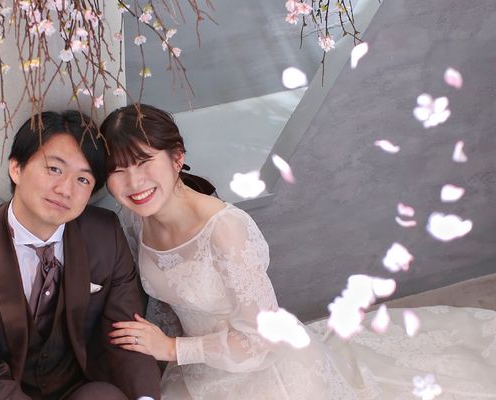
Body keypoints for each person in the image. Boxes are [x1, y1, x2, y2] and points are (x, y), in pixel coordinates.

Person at [99, 103, 496, 399]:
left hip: (265, 372)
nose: (133, 182)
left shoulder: (224, 230)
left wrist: (170, 349)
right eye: (118, 170)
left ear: (177, 158)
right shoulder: (134, 218)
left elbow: (260, 340)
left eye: (144, 162)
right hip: (197, 371)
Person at [0, 110, 161, 400]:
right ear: (16, 168)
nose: (65, 189)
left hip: (78, 387)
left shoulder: (105, 235)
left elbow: (127, 335)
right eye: (54, 169)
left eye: (83, 180)